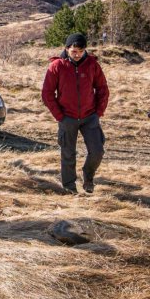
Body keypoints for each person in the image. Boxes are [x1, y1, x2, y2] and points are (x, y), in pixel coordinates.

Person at [42, 33, 110, 194]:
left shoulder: (92, 64)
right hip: (67, 117)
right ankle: (70, 188)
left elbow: (102, 89)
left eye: (80, 50)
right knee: (68, 154)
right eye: (74, 51)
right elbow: (47, 93)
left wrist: (98, 112)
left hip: (90, 117)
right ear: (67, 49)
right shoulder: (56, 66)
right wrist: (60, 116)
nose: (77, 54)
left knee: (97, 151)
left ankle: (88, 176)